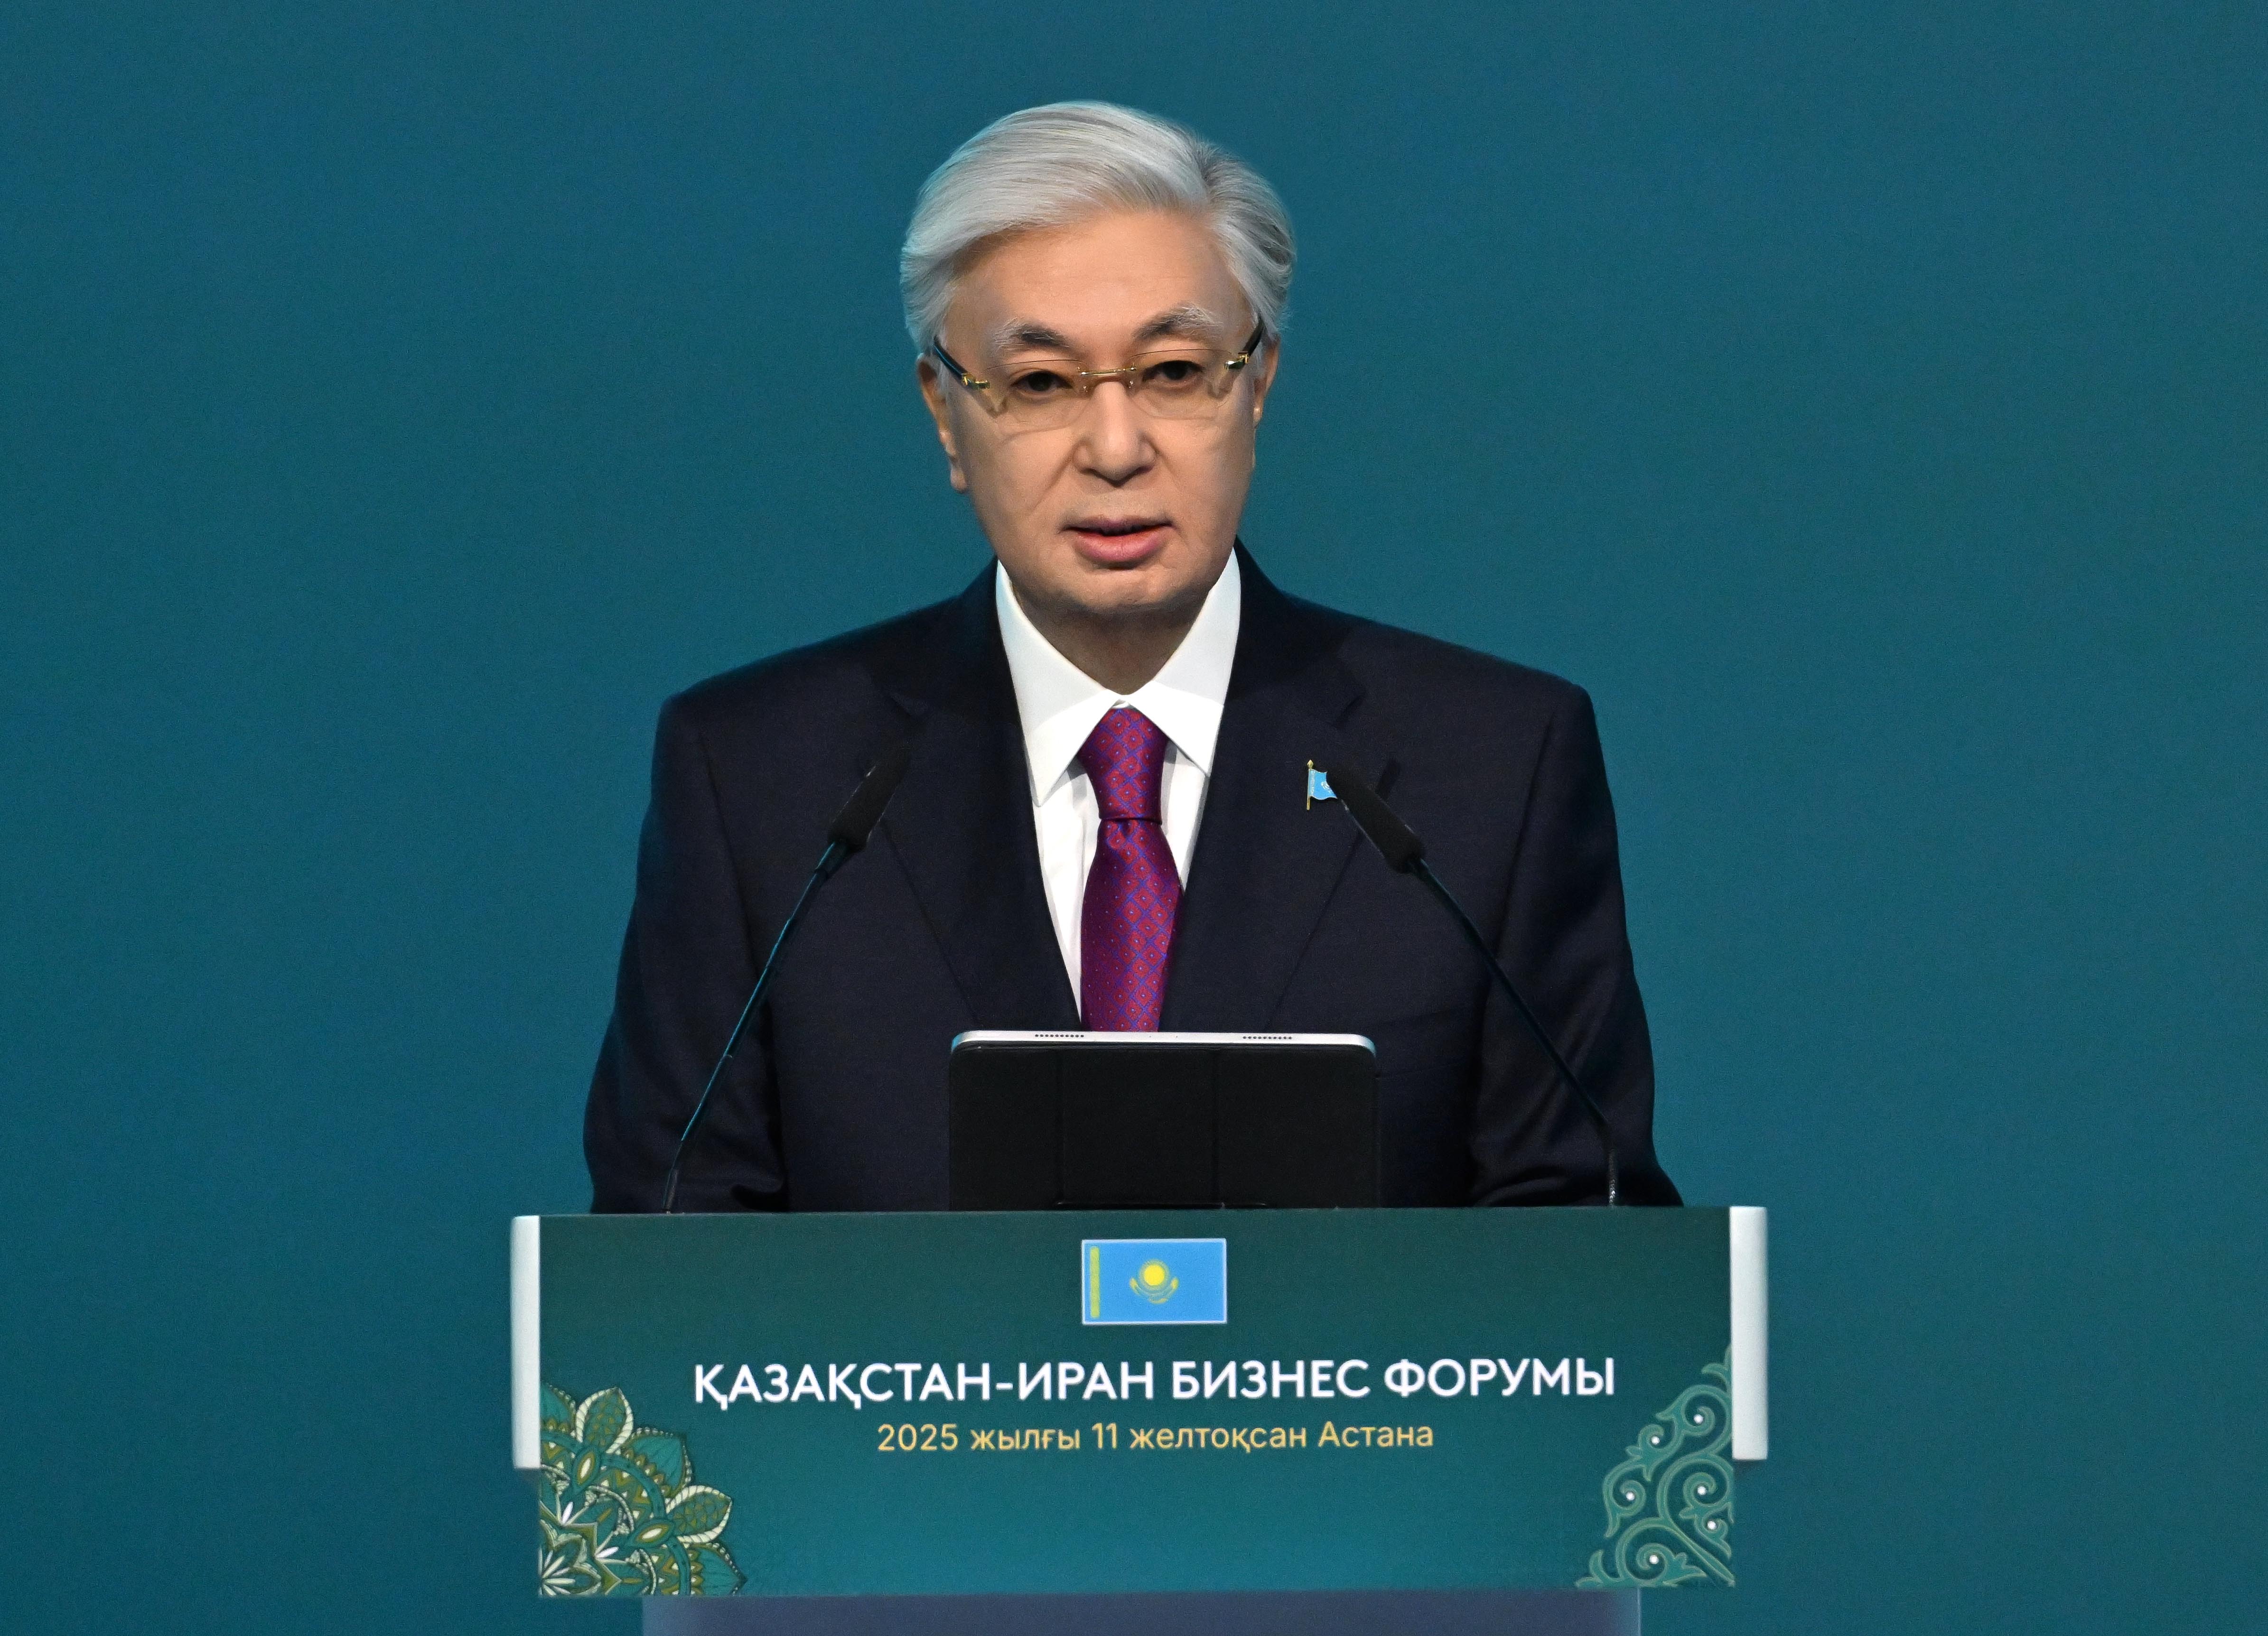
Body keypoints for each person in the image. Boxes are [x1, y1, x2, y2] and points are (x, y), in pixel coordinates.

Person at [584, 102, 1678, 1212]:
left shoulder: (1488, 768)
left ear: (1257, 384)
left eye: (1172, 371)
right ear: (945, 415)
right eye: (1040, 383)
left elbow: (1581, 1238)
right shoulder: (763, 781)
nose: (1114, 449)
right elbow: (671, 1246)